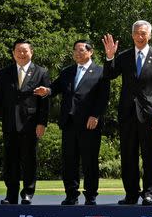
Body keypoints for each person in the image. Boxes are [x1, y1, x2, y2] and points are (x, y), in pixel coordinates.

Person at [33, 40, 111, 205]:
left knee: (90, 161)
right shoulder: (67, 71)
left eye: (81, 50)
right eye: (75, 50)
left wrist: (95, 115)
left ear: (90, 52)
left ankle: (90, 196)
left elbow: (103, 97)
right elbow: (55, 87)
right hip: (69, 123)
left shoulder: (101, 71)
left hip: (89, 123)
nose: (77, 53)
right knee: (69, 162)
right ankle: (71, 195)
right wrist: (47, 91)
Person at [102, 20, 152, 206]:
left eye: (143, 33)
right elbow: (109, 75)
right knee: (128, 155)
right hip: (127, 113)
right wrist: (109, 57)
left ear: (150, 35)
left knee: (150, 155)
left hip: (149, 114)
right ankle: (131, 193)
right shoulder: (124, 56)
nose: (140, 36)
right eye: (137, 33)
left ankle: (149, 193)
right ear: (132, 35)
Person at [0, 40, 50, 205]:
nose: (22, 54)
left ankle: (28, 193)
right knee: (10, 161)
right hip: (9, 123)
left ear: (32, 52)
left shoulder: (41, 72)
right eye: (19, 51)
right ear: (13, 53)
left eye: (25, 51)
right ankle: (11, 195)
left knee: (29, 159)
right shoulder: (5, 73)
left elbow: (45, 102)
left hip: (30, 123)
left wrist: (42, 123)